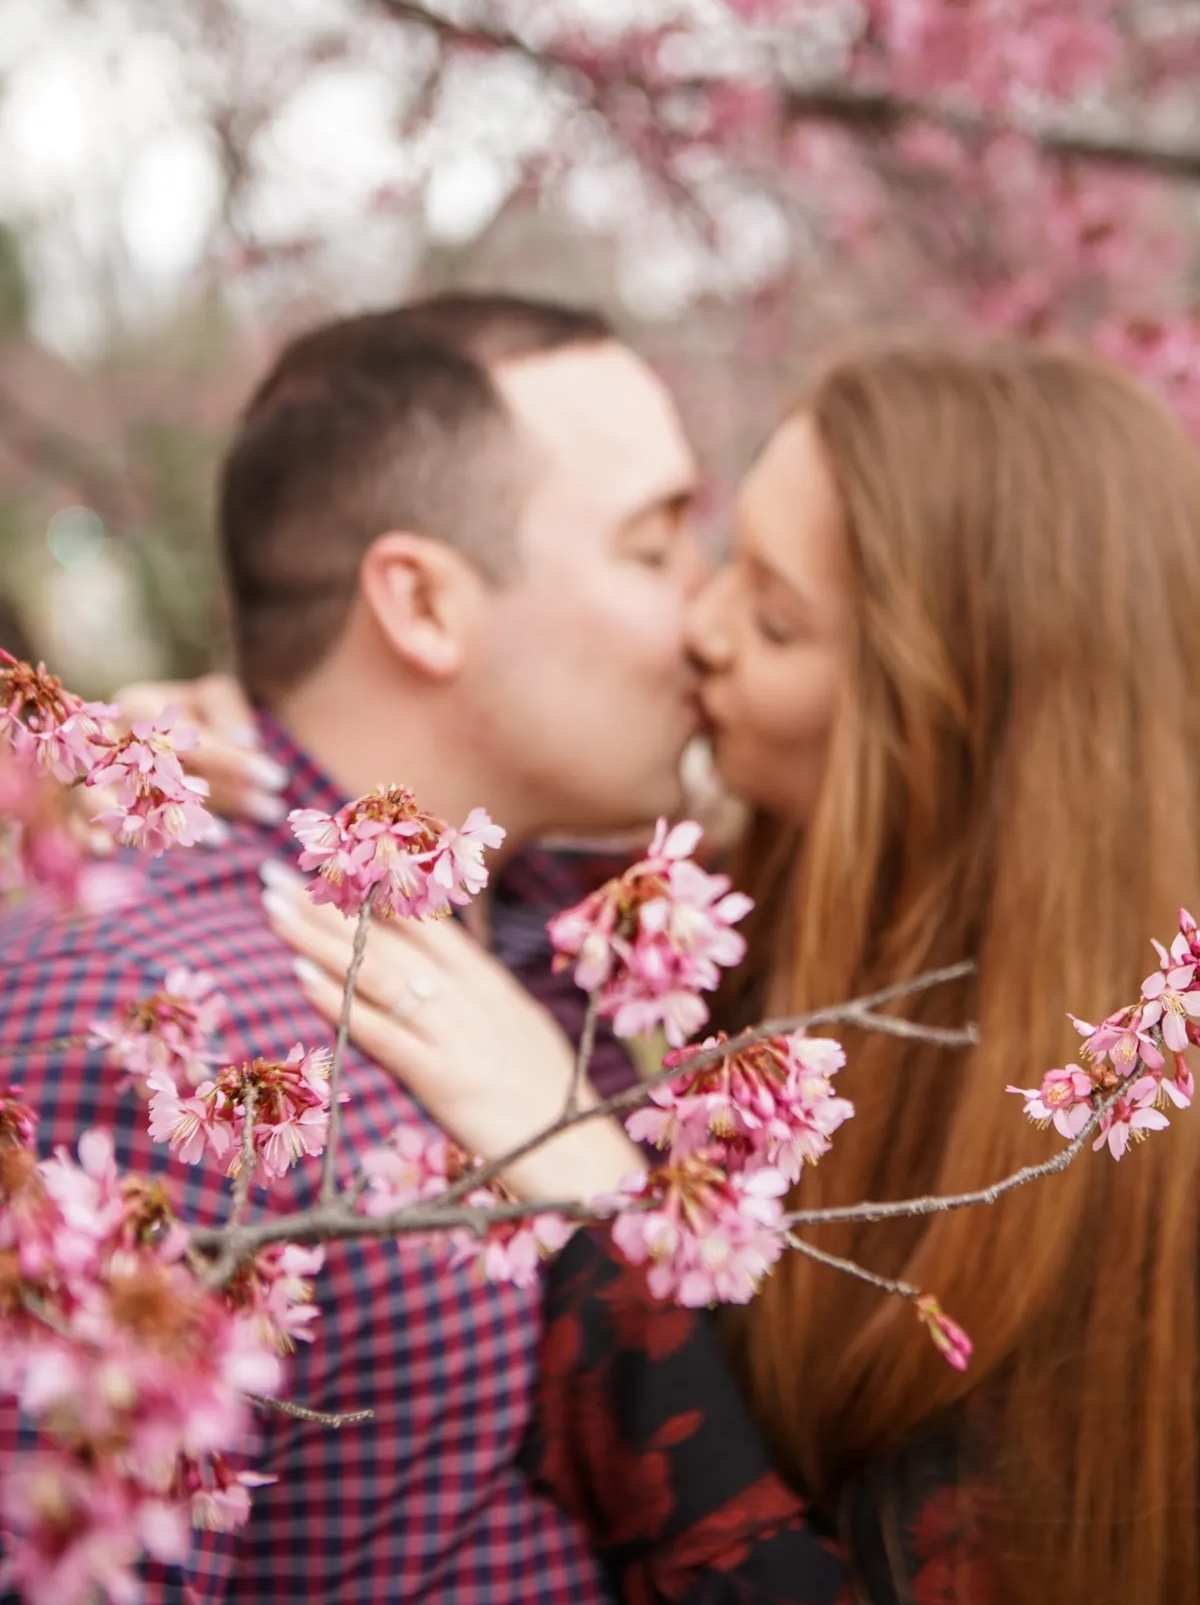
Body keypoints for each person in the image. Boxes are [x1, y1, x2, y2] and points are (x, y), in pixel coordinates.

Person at [255, 341, 1200, 1605]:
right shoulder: (803, 925)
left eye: (771, 616)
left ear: (943, 730)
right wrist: (240, 743)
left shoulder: (1123, 1185)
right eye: (717, 552)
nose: (698, 626)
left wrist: (611, 1212)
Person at [0, 292, 761, 1604]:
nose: (709, 618)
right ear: (419, 601)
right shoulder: (140, 1017)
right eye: (654, 549)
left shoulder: (555, 918)